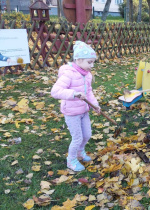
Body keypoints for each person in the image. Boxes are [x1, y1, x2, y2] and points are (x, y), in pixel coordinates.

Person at [51, 41, 100, 172]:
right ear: (78, 60)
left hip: (84, 110)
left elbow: (89, 92)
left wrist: (95, 104)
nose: (92, 65)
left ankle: (80, 152)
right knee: (77, 137)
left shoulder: (87, 75)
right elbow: (55, 92)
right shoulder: (68, 73)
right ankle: (71, 161)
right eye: (89, 62)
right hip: (72, 112)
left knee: (87, 135)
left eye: (93, 62)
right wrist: (74, 94)